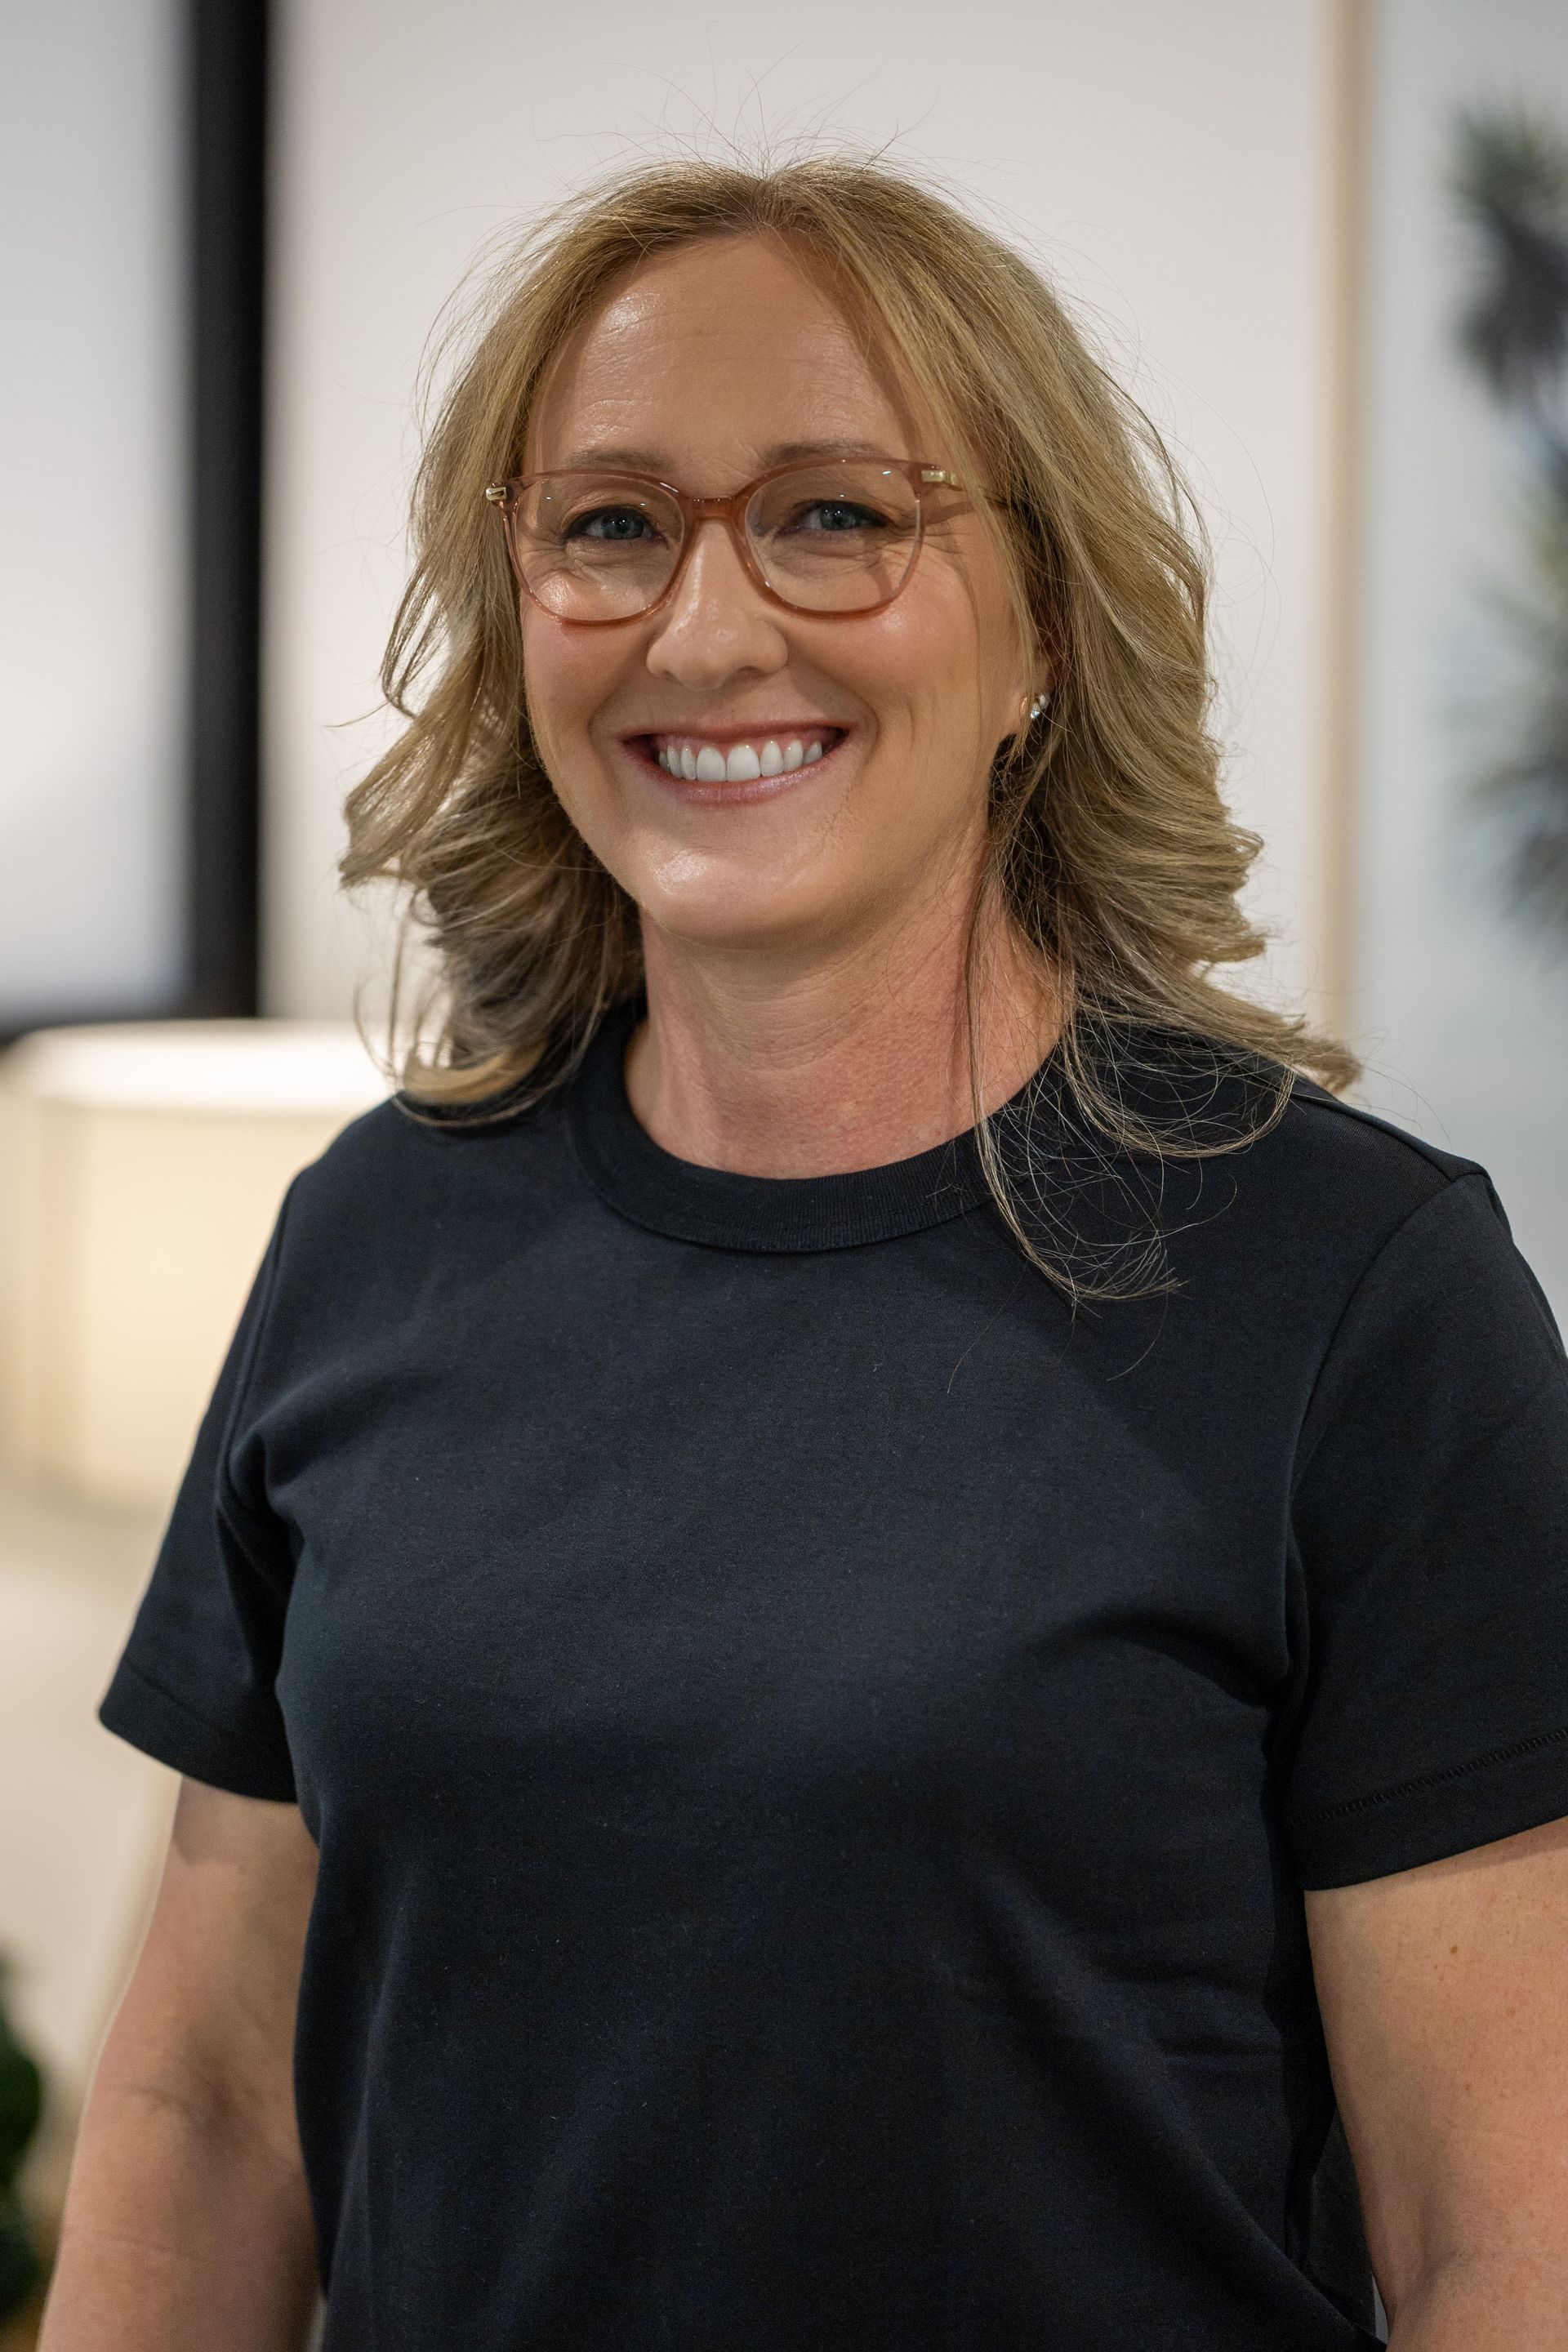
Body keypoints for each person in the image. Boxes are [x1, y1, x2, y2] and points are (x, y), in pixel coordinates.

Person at [42, 156, 1568, 2352]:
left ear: (1043, 630)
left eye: (836, 513)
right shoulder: (371, 1235)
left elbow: (1506, 2246)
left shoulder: (1359, 1292)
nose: (706, 630)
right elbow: (201, 2113)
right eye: (610, 524)